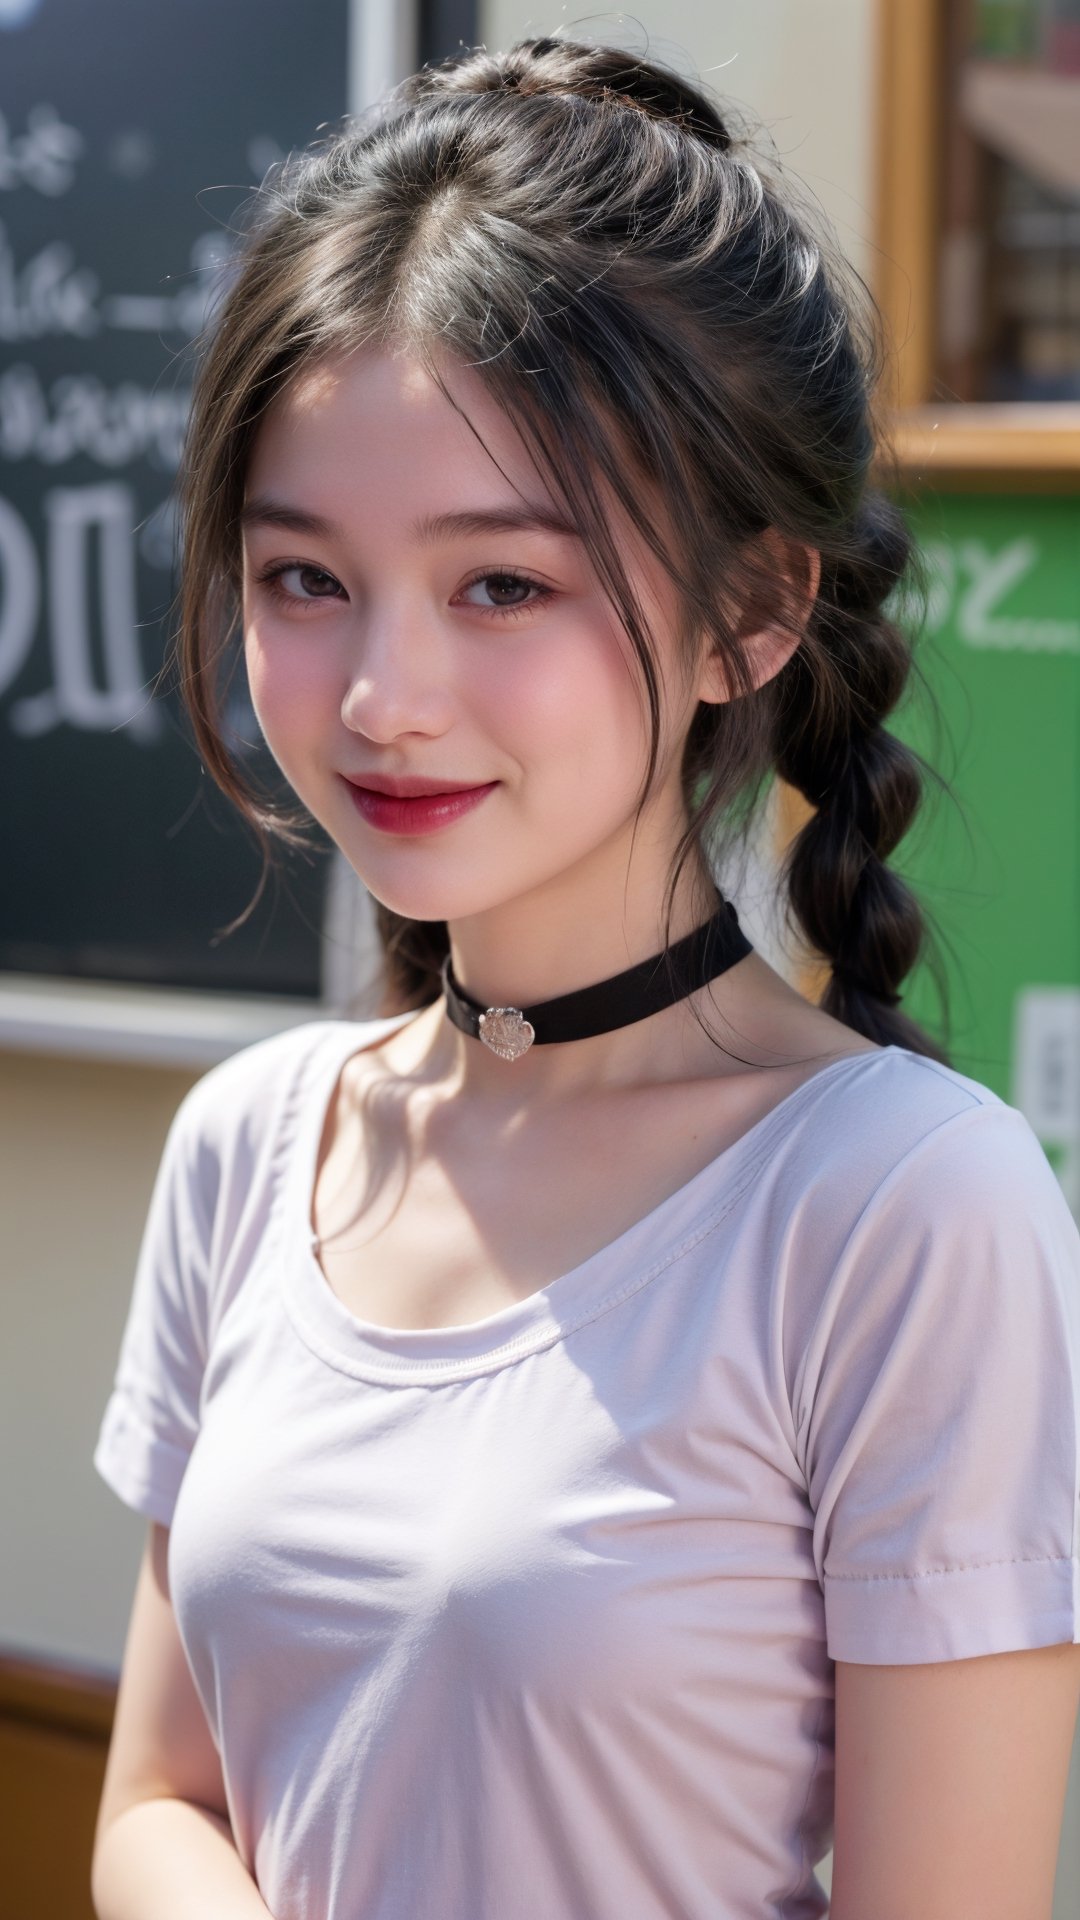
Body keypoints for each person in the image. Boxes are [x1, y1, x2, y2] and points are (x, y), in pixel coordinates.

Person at [90, 35, 1080, 1920]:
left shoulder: (893, 1207)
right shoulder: (251, 1149)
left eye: (503, 587)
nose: (381, 696)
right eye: (303, 578)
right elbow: (156, 1802)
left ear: (755, 609)